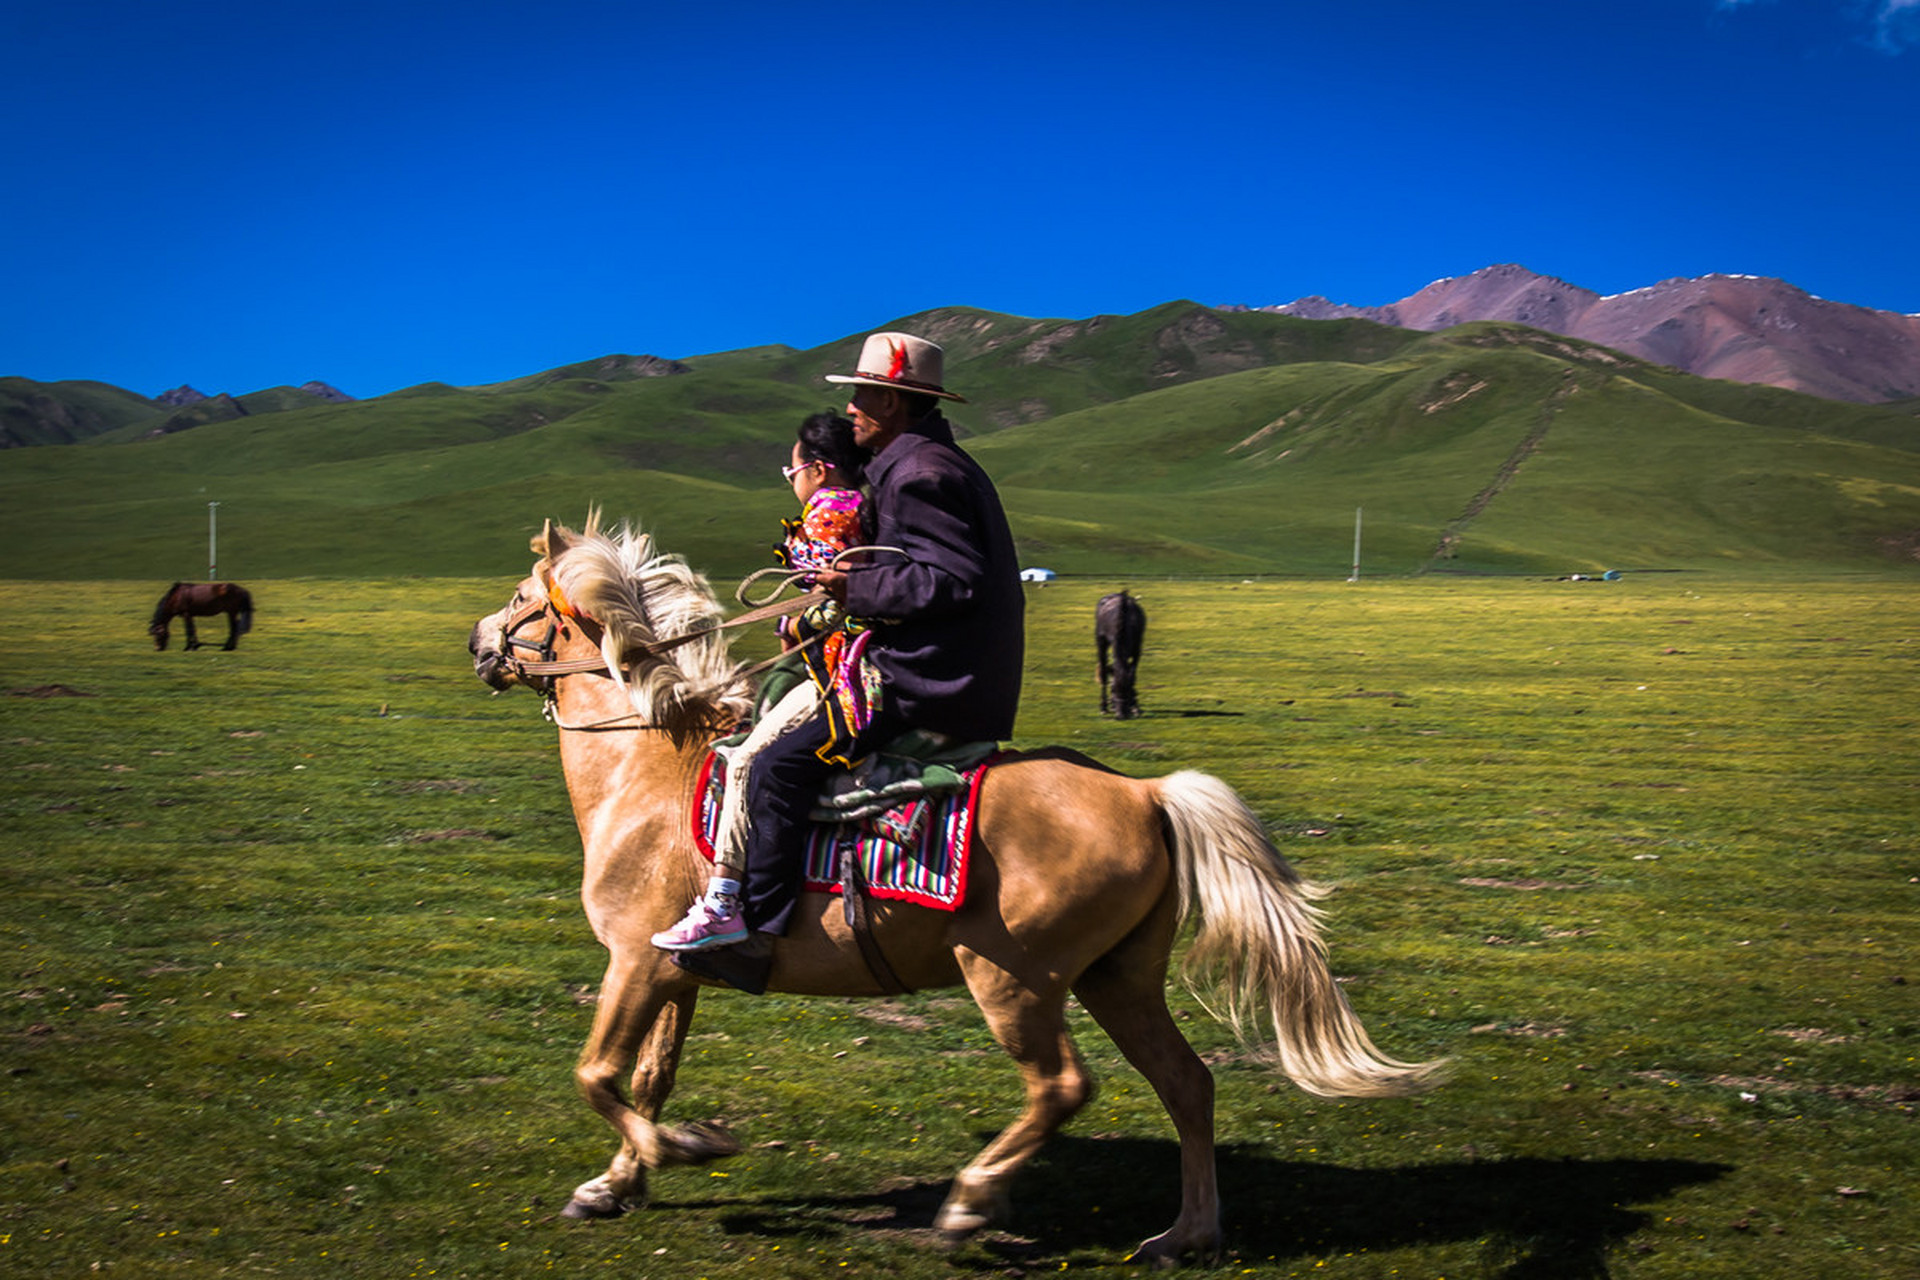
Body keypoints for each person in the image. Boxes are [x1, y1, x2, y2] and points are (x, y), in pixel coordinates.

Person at [652, 332, 1024, 964]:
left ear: (896, 402)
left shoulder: (921, 475)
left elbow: (954, 581)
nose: (852, 406)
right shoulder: (920, 464)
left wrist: (856, 586)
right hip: (937, 666)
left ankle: (752, 929)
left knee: (778, 764)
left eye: (864, 393)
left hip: (923, 678)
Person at [651, 412, 871, 952]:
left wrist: (790, 625)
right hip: (847, 661)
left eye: (790, 470)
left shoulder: (826, 517)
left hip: (838, 669)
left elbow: (825, 604)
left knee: (747, 758)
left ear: (818, 470)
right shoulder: (865, 507)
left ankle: (724, 899)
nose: (791, 480)